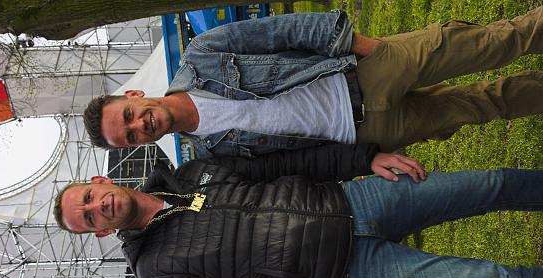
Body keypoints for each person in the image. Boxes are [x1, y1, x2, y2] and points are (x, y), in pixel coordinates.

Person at [53, 144, 542, 278]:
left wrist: (365, 159)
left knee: (492, 184)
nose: (99, 207)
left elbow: (287, 161)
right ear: (100, 233)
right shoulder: (159, 275)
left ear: (100, 181)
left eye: (90, 198)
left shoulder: (193, 171)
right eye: (89, 217)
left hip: (355, 201)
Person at [83, 7, 543, 158]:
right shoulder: (210, 155)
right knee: (485, 105)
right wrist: (368, 158)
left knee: (496, 42)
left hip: (361, 72)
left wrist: (360, 45)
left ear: (133, 94)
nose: (140, 125)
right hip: (367, 133)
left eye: (129, 115)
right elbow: (293, 167)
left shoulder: (202, 54)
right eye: (131, 136)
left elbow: (279, 32)